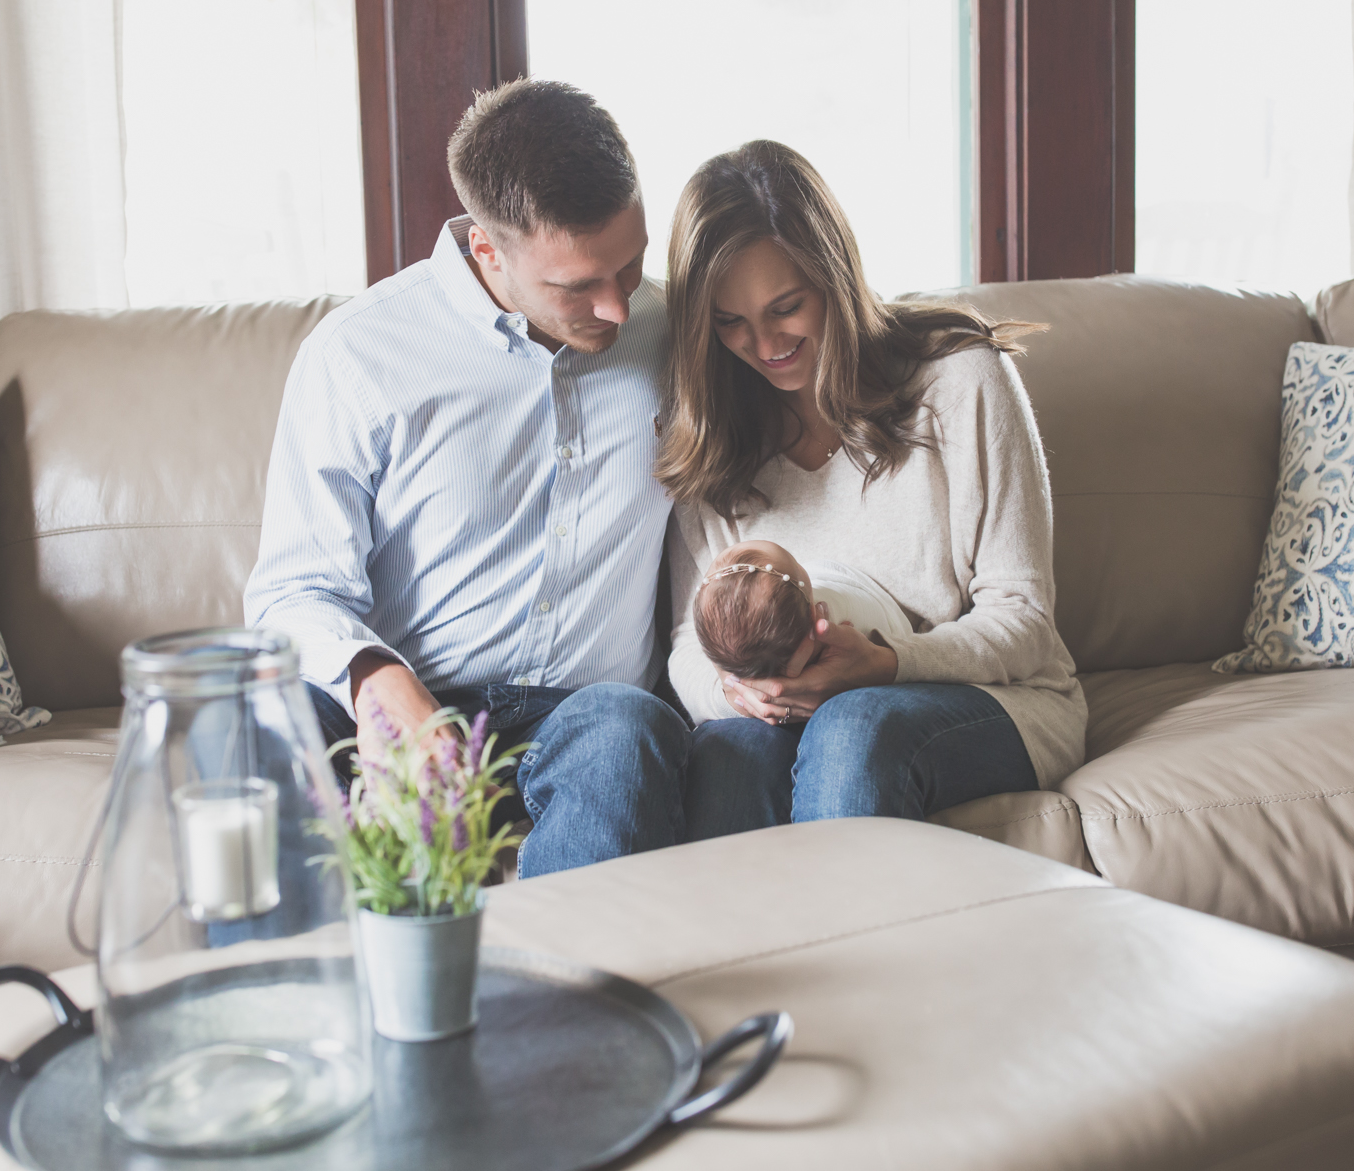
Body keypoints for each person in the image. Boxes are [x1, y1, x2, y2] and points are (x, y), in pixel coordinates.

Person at [245, 79, 689, 878]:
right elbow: (292, 592)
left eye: (631, 266)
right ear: (487, 249)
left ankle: (552, 993)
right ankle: (280, 996)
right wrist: (383, 690)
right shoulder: (356, 356)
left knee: (630, 732)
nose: (619, 309)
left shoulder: (674, 331)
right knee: (253, 730)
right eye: (577, 286)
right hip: (407, 693)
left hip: (589, 716)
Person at [657, 139, 1087, 838]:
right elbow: (687, 642)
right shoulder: (714, 439)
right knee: (725, 751)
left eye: (786, 306)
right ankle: (750, 952)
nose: (764, 344)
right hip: (796, 716)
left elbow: (1025, 620)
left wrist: (888, 664)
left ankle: (855, 950)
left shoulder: (960, 379)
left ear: (833, 275)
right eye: (730, 323)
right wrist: (741, 693)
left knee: (854, 726)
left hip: (992, 697)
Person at [691, 538, 913, 684]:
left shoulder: (754, 651)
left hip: (881, 658)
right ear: (812, 614)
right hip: (886, 620)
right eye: (798, 565)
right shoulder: (827, 622)